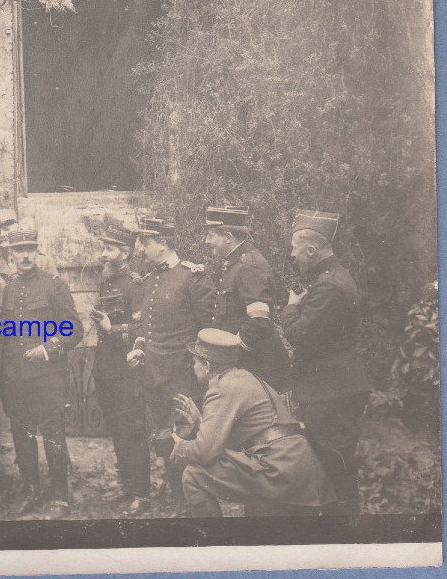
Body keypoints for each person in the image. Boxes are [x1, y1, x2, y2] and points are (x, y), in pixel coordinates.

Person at [169, 329, 334, 517]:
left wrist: (183, 448)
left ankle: (211, 540)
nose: (193, 367)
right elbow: (249, 435)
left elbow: (205, 453)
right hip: (301, 472)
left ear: (206, 365)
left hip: (277, 472)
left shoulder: (221, 388)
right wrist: (201, 423)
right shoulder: (246, 378)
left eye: (194, 362)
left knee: (193, 476)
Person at [281, 209, 371, 517]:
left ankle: (346, 538)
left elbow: (299, 334)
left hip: (331, 394)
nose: (293, 256)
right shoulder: (329, 280)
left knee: (337, 471)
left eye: (295, 250)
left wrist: (291, 307)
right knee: (334, 470)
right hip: (331, 390)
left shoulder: (329, 286)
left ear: (311, 249)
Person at [126, 217, 215, 512]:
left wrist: (198, 369)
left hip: (181, 374)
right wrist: (139, 348)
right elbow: (144, 327)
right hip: (152, 373)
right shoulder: (150, 280)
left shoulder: (191, 277)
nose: (140, 248)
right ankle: (176, 491)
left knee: (183, 436)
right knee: (164, 439)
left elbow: (206, 328)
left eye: (145, 242)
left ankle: (188, 501)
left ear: (162, 244)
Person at [0, 225, 83, 517]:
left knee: (52, 433)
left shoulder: (53, 285)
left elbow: (74, 330)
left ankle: (60, 496)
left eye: (29, 249)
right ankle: (31, 489)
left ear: (37, 251)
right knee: (22, 434)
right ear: (10, 254)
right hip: (17, 379)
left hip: (48, 377)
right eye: (19, 250)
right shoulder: (8, 290)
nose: (25, 256)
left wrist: (46, 349)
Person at [89, 223, 151, 516]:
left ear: (125, 253)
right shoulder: (107, 281)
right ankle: (127, 485)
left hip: (128, 370)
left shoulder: (136, 285)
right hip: (106, 368)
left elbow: (142, 328)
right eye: (103, 248)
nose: (103, 254)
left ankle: (142, 493)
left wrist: (110, 328)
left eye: (109, 249)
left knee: (134, 429)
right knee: (116, 428)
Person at [203, 205, 291, 393]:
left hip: (258, 367)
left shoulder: (249, 266)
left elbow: (259, 320)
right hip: (249, 364)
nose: (206, 241)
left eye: (211, 235)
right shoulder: (235, 263)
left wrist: (230, 355)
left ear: (228, 237)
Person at [0, 209, 58, 313]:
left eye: (6, 229)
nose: (2, 235)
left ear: (18, 229)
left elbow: (59, 304)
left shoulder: (43, 263)